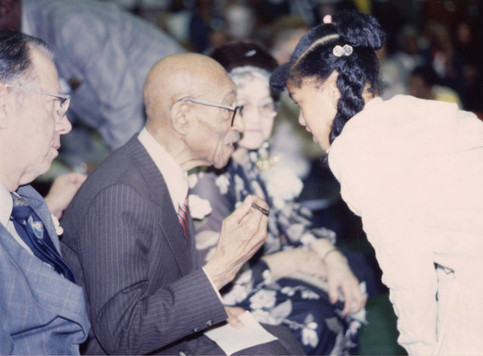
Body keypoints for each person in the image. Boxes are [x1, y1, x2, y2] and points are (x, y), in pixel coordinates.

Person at [269, 9, 483, 356]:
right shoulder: (400, 117)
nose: (302, 119)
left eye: (301, 102)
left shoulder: (361, 155)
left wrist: (419, 347)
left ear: (332, 90)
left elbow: (409, 273)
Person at [60, 52, 305, 355]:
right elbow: (122, 336)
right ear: (183, 116)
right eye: (231, 109)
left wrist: (206, 307)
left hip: (167, 337)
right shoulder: (120, 193)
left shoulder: (163, 171)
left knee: (284, 342)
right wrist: (222, 268)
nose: (240, 125)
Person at [189, 41, 367, 355]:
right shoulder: (209, 173)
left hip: (258, 275)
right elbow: (216, 283)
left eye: (267, 104)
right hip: (221, 300)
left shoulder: (249, 157)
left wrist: (330, 257)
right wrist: (295, 262)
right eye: (244, 105)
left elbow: (286, 212)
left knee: (348, 277)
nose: (257, 118)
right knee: (319, 315)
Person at [0, 30, 89, 354]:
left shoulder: (25, 201)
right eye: (55, 105)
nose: (64, 125)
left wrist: (49, 208)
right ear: (3, 103)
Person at [0, 0, 185, 154]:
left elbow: (122, 103)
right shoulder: (30, 36)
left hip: (178, 109)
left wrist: (130, 173)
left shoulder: (71, 23)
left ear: (5, 6)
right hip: (135, 128)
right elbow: (61, 113)